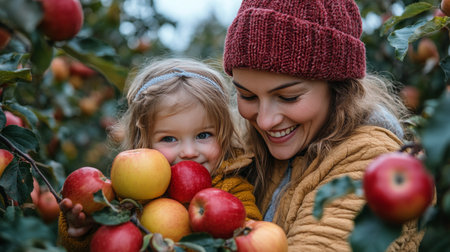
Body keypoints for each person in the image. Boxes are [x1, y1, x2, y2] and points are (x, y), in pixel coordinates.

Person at [222, 0, 422, 251]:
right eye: (247, 96)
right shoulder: (250, 153)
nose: (264, 120)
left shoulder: (373, 163)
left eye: (288, 97)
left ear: (338, 88)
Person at [58, 58, 262, 251]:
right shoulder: (127, 194)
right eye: (169, 139)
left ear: (224, 135)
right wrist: (80, 232)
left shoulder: (232, 189)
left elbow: (250, 236)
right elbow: (104, 242)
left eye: (203, 135)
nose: (189, 152)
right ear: (143, 143)